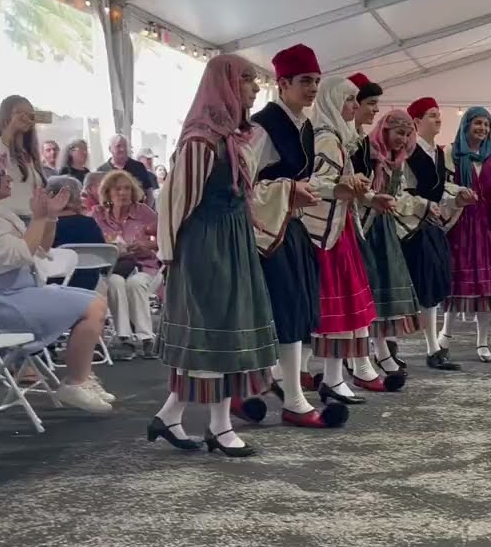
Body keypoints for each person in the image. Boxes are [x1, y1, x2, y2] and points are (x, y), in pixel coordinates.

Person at [153, 54, 314, 456]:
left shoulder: (233, 137)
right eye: (245, 80)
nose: (254, 88)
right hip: (206, 246)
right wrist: (171, 260)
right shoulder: (200, 141)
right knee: (217, 330)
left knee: (228, 326)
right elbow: (176, 205)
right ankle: (218, 427)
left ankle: (173, 416)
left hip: (232, 240)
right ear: (224, 84)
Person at [0, 156, 111, 412]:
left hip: (15, 293)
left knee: (97, 304)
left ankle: (81, 378)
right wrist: (39, 218)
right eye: (2, 174)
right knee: (93, 306)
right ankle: (76, 381)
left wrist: (50, 217)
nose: (9, 177)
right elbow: (23, 253)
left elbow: (41, 248)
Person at [239, 43, 343, 428]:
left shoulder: (304, 125)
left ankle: (266, 389)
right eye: (305, 81)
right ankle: (290, 397)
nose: (313, 87)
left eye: (316, 80)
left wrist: (313, 188)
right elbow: (243, 183)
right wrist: (288, 190)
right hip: (264, 234)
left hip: (288, 227)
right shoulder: (264, 126)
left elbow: (297, 177)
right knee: (281, 310)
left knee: (294, 310)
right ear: (282, 84)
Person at [299, 76, 383, 399]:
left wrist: (365, 195)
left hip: (340, 226)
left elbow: (334, 183)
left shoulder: (336, 136)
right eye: (349, 100)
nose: (353, 106)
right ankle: (330, 377)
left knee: (346, 302)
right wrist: (347, 186)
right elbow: (317, 184)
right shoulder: (325, 138)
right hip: (327, 230)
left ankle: (334, 377)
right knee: (336, 302)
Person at [404, 96, 475, 371]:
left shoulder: (436, 152)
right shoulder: (409, 151)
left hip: (429, 226)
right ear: (417, 121)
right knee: (408, 286)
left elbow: (441, 187)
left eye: (438, 114)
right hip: (409, 225)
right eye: (431, 115)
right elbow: (404, 187)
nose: (438, 119)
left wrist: (458, 195)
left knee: (432, 283)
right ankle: (386, 348)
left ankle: (433, 347)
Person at [353, 109, 422, 381]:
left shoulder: (397, 161)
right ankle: (370, 356)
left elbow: (399, 194)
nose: (402, 140)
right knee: (369, 292)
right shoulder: (369, 154)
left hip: (383, 228)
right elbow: (357, 194)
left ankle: (378, 352)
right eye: (398, 133)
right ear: (385, 131)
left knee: (380, 293)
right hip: (364, 228)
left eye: (407, 134)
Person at [439, 107, 491, 362]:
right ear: (466, 124)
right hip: (459, 224)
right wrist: (458, 193)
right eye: (478, 123)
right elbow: (442, 184)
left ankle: (483, 342)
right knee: (456, 283)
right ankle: (445, 335)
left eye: (487, 124)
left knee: (487, 288)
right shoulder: (450, 153)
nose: (483, 129)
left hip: (487, 225)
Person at [92, 169, 161, 360]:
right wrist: (111, 247)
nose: (123, 193)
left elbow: (165, 237)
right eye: (118, 189)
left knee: (135, 283)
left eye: (127, 189)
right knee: (114, 281)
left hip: (143, 265)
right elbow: (91, 241)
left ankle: (146, 338)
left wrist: (147, 244)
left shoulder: (143, 212)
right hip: (114, 266)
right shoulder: (98, 214)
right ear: (108, 192)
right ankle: (124, 338)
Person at [0, 95, 47, 221]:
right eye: (19, 113)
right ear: (7, 116)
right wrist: (12, 126)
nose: (25, 118)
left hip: (31, 216)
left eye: (29, 113)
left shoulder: (29, 153)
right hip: (8, 217)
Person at [48, 175, 106, 291]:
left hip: (55, 284)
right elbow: (103, 257)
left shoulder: (47, 226)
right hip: (89, 284)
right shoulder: (89, 224)